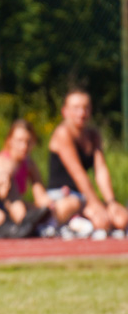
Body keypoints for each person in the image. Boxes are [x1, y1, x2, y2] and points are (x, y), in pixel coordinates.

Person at [47, 88, 128, 233]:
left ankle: (78, 223)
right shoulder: (63, 133)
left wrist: (111, 202)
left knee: (121, 219)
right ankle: (63, 225)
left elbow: (101, 171)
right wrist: (95, 204)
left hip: (82, 197)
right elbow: (78, 173)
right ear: (64, 111)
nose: (81, 113)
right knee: (100, 221)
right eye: (76, 108)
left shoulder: (93, 135)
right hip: (63, 196)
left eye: (85, 108)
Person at [0, 120, 52, 225]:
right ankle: (23, 221)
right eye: (19, 141)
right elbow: (2, 194)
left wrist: (50, 205)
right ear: (10, 141)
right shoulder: (1, 161)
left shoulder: (29, 164)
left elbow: (41, 195)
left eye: (28, 141)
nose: (24, 146)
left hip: (17, 208)